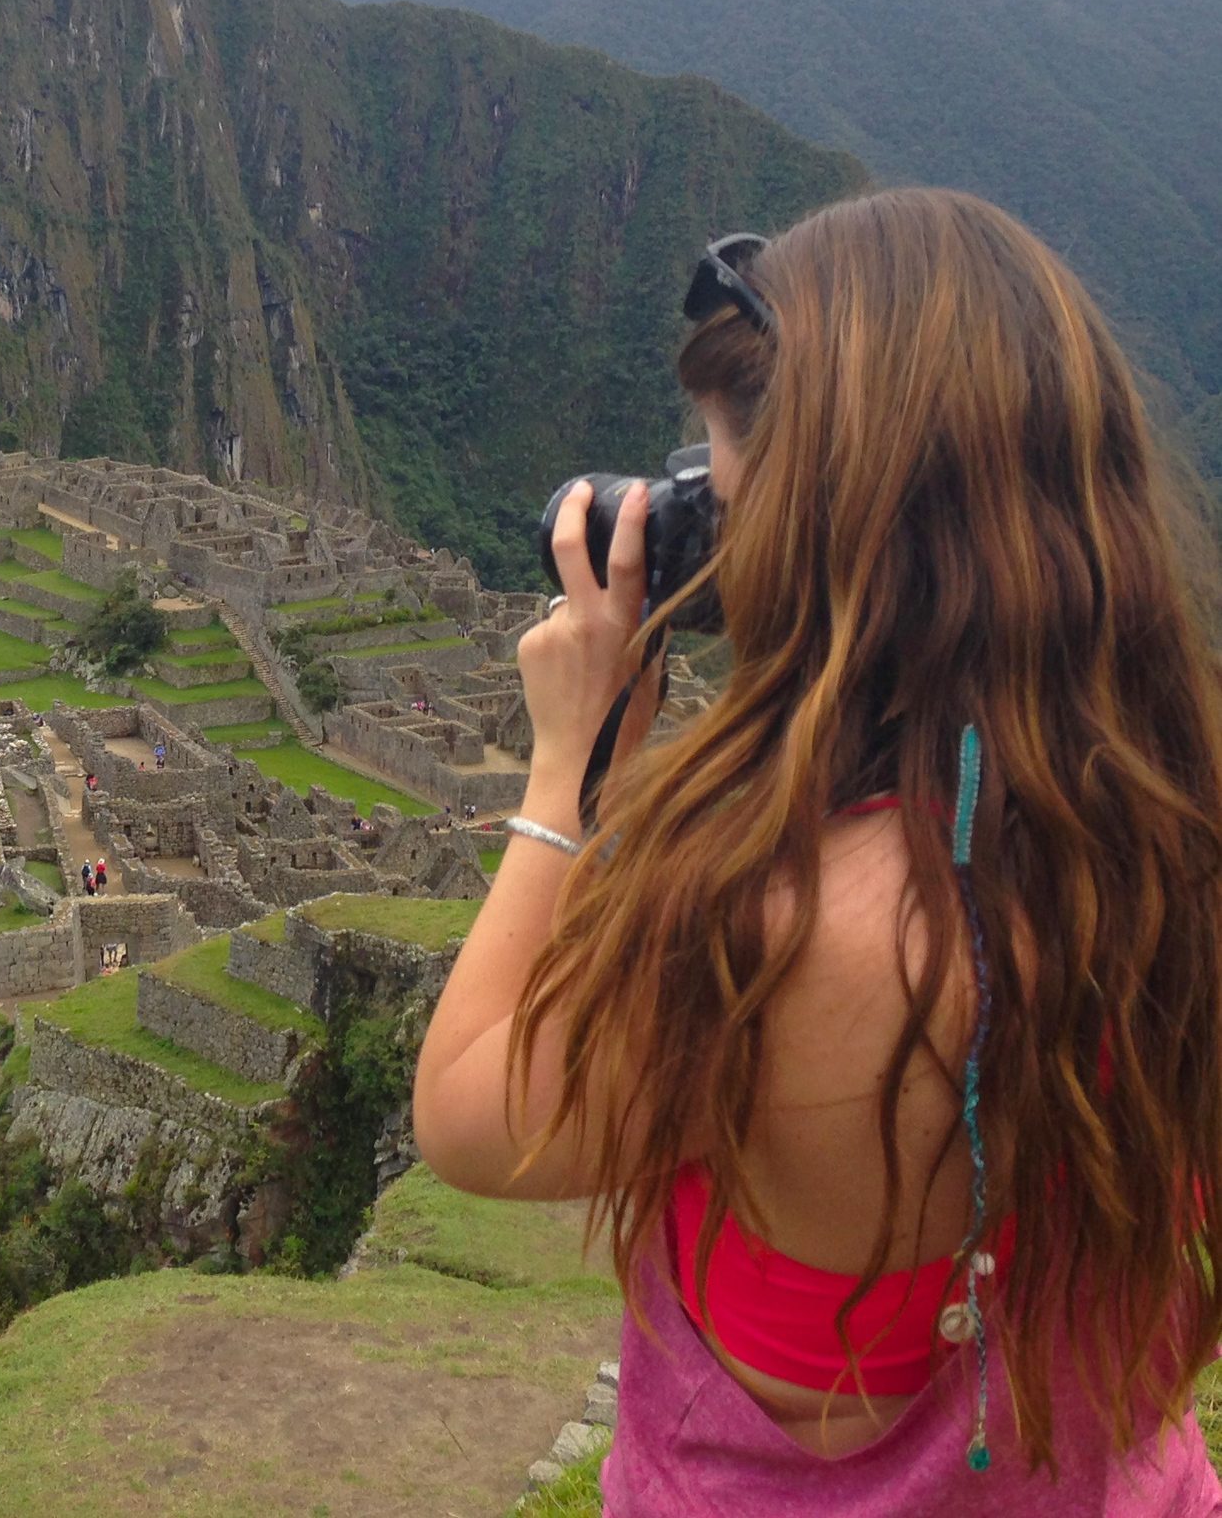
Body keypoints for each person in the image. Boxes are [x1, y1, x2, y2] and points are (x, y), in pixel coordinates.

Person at [413, 192, 1222, 1512]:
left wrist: (572, 765)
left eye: (730, 463)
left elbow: (463, 1111)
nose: (705, 499)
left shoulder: (764, 923)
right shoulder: (1174, 846)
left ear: (826, 512)